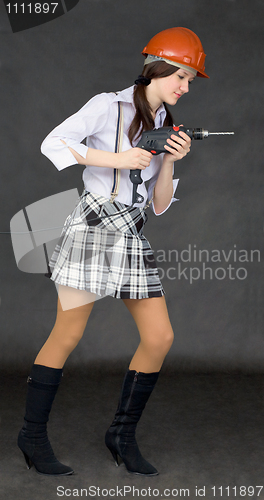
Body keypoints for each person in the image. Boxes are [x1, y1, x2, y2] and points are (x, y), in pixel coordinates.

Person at [17, 27, 209, 477]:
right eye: (180, 76)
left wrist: (172, 161)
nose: (184, 87)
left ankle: (121, 435)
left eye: (190, 82)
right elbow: (53, 143)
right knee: (66, 335)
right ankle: (31, 435)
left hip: (133, 231)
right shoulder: (109, 105)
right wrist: (117, 161)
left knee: (159, 338)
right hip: (95, 225)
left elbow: (159, 206)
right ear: (156, 69)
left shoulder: (165, 126)